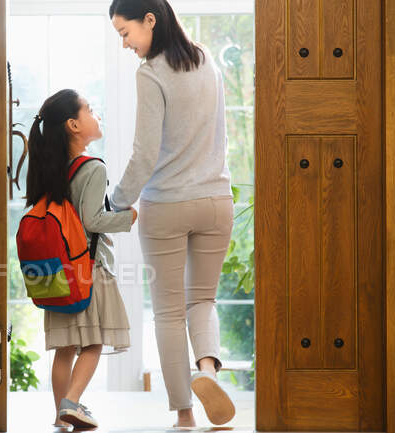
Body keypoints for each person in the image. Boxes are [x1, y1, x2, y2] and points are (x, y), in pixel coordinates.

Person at [108, 0, 236, 426]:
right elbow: (219, 134)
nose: (124, 44)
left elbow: (144, 154)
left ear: (150, 21)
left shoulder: (150, 74)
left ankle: (184, 414)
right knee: (203, 299)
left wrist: (117, 200)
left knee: (166, 310)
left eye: (125, 33)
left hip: (167, 203)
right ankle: (207, 371)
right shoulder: (207, 61)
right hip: (217, 200)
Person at [25, 89, 138, 430]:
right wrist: (129, 217)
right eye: (89, 109)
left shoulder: (50, 168)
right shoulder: (92, 168)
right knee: (93, 342)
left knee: (65, 348)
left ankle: (61, 416)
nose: (95, 113)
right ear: (74, 124)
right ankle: (72, 403)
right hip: (88, 269)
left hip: (55, 270)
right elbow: (93, 221)